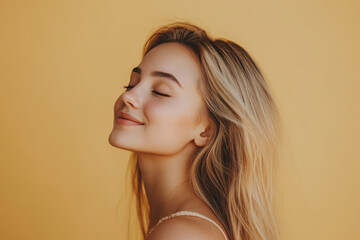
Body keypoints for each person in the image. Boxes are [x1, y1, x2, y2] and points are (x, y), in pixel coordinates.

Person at [108, 21, 283, 240]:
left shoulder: (182, 234)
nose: (128, 96)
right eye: (132, 84)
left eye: (160, 92)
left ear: (206, 131)